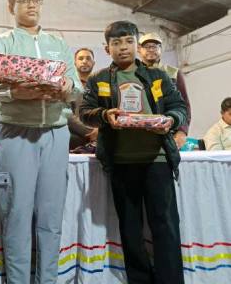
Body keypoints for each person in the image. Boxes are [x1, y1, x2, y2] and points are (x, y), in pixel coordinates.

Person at [0, 0, 81, 283]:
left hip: (55, 133)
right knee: (18, 214)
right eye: (24, 0)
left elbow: (78, 88)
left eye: (37, 0)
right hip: (16, 133)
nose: (32, 5)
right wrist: (12, 93)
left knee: (51, 216)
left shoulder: (58, 44)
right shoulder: (2, 43)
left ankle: (48, 280)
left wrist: (68, 86)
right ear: (11, 7)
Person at [80, 20, 187, 284]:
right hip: (120, 162)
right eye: (116, 43)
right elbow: (84, 113)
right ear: (107, 48)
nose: (123, 47)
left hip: (158, 160)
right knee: (130, 228)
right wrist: (105, 115)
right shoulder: (98, 79)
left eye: (128, 41)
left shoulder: (158, 76)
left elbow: (178, 106)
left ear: (137, 45)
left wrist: (171, 120)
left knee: (166, 225)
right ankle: (139, 280)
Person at [138, 32, 191, 149]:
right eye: (147, 46)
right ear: (139, 50)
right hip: (139, 133)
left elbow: (184, 104)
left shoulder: (173, 72)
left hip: (168, 131)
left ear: (161, 49)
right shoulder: (133, 73)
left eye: (155, 46)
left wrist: (182, 131)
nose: (151, 50)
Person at [68, 48, 98, 150]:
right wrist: (90, 132)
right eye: (80, 58)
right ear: (75, 63)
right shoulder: (68, 84)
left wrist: (99, 132)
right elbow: (67, 114)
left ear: (93, 63)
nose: (84, 61)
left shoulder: (101, 84)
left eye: (88, 58)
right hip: (76, 135)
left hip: (100, 135)